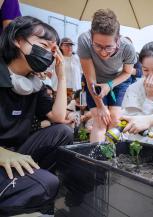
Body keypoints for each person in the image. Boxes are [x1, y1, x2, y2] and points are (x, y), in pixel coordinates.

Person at [0, 16, 73, 215]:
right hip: (3, 155)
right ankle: (30, 187)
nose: (49, 53)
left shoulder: (33, 84)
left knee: (63, 132)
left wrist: (62, 74)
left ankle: (27, 182)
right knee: (47, 184)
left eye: (52, 49)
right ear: (18, 40)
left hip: (17, 153)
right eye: (43, 44)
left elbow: (58, 117)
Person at [78, 9, 136, 143]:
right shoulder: (84, 41)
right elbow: (90, 78)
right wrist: (101, 107)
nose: (103, 53)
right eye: (98, 46)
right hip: (95, 81)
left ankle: (111, 159)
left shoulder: (128, 48)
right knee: (100, 120)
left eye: (109, 47)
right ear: (91, 37)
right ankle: (95, 160)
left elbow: (127, 72)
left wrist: (109, 85)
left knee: (115, 119)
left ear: (118, 40)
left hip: (117, 81)